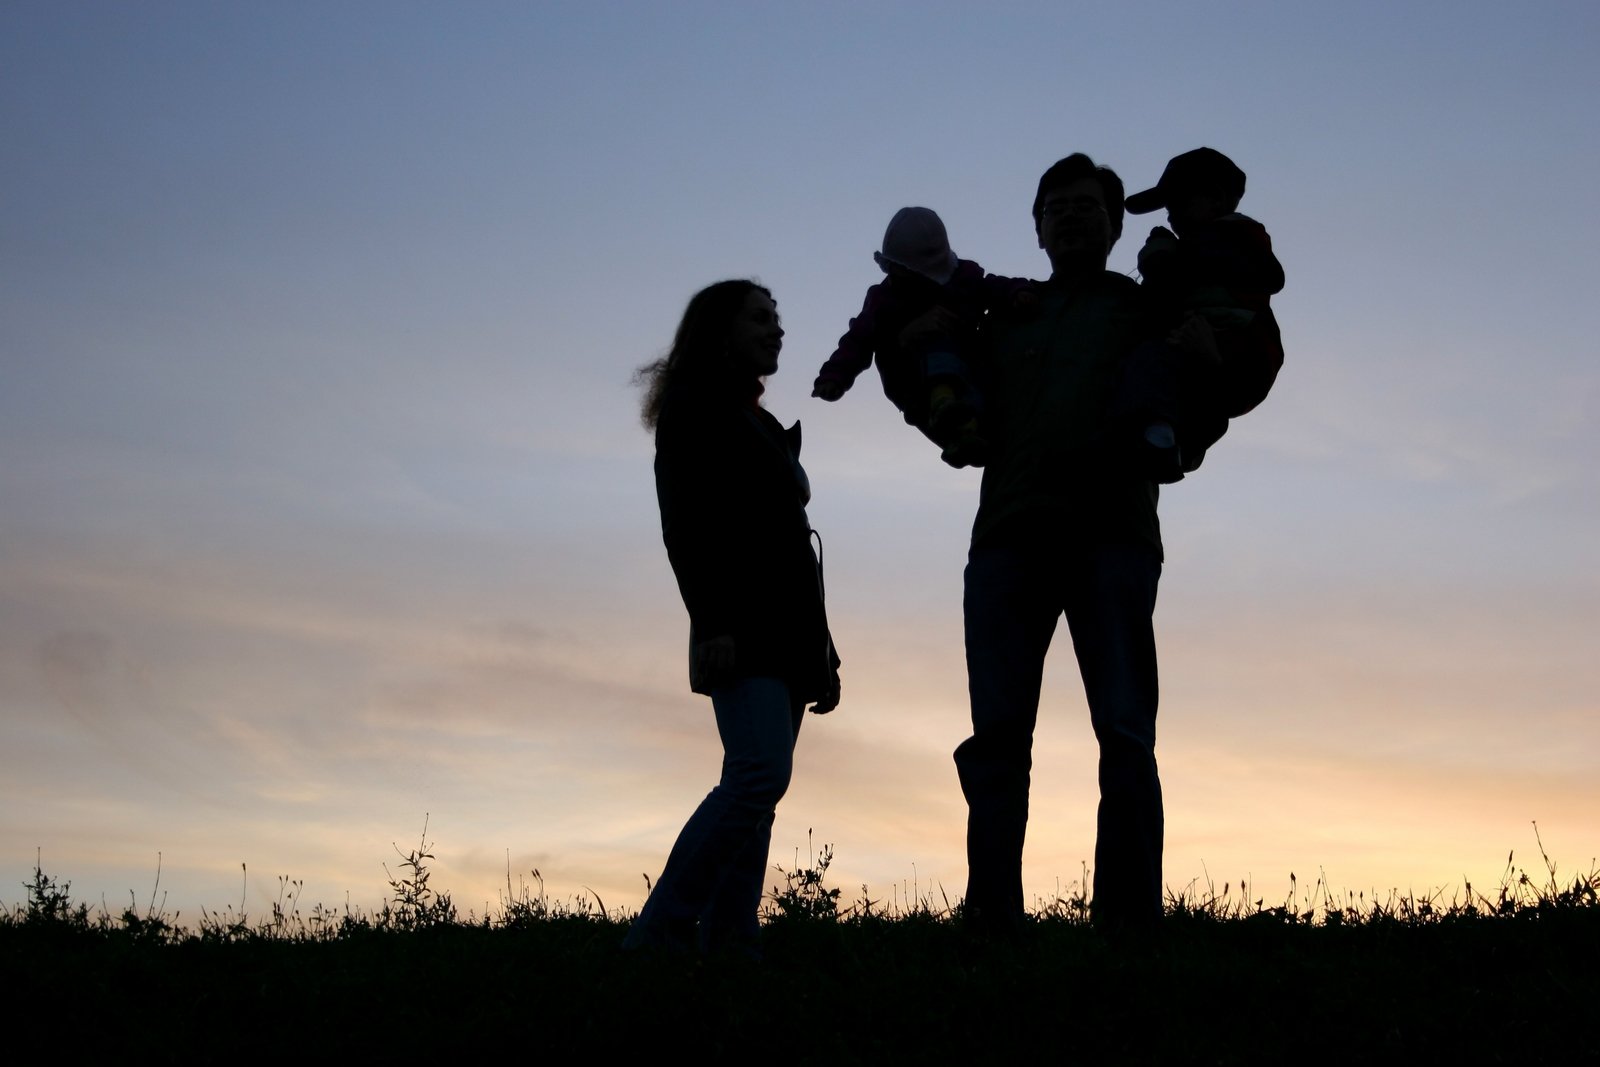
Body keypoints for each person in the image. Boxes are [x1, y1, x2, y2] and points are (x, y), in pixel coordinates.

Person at [950, 153, 1175, 933]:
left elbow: (1208, 387)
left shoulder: (1148, 310)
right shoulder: (1003, 314)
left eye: (1089, 205)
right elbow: (942, 384)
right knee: (998, 735)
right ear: (1037, 226)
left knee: (1123, 729)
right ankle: (990, 916)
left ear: (1116, 224)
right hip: (1009, 539)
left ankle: (1128, 921)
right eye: (1058, 206)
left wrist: (1178, 446)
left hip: (1112, 535)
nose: (1073, 215)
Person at [625, 279, 841, 955]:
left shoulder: (756, 419)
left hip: (787, 627)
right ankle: (661, 929)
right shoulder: (696, 408)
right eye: (761, 319)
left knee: (758, 786)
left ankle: (728, 931)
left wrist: (823, 650)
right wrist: (713, 621)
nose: (777, 330)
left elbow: (792, 542)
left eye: (778, 320)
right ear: (720, 330)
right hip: (741, 623)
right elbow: (686, 526)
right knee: (757, 774)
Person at [811, 206, 1031, 468]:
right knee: (935, 337)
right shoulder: (884, 301)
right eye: (893, 271)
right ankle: (945, 410)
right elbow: (858, 339)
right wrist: (835, 375)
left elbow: (995, 286)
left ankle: (967, 436)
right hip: (912, 384)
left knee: (975, 400)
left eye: (904, 273)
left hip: (969, 372)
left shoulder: (963, 281)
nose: (896, 278)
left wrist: (1018, 291)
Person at [1117, 147, 1286, 481]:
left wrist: (1165, 260)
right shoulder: (1210, 247)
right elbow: (1163, 298)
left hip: (1241, 348)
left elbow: (1270, 276)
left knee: (1154, 361)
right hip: (1223, 362)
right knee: (1191, 391)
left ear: (1217, 200)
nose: (1170, 215)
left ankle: (1164, 438)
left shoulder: (1232, 238)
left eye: (1178, 203)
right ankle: (1180, 444)